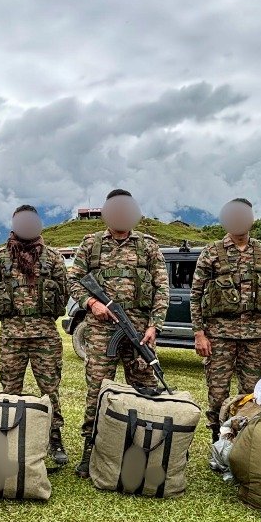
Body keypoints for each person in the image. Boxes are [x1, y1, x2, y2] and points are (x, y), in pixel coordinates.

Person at [68, 189, 169, 478]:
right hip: (101, 330)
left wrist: (154, 326)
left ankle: (143, 449)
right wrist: (91, 303)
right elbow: (74, 280)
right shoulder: (91, 244)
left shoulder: (148, 246)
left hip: (138, 327)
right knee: (98, 390)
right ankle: (91, 449)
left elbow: (162, 288)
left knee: (145, 388)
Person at [0, 205, 71, 467]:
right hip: (11, 337)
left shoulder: (53, 258)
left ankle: (54, 439)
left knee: (50, 391)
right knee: (10, 391)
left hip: (45, 336)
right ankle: (9, 438)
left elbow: (63, 293)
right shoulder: (0, 258)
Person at [191, 198, 261, 435]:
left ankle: (244, 442)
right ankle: (217, 440)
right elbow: (196, 296)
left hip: (256, 336)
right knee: (218, 392)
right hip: (219, 336)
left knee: (253, 392)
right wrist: (199, 334)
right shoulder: (211, 252)